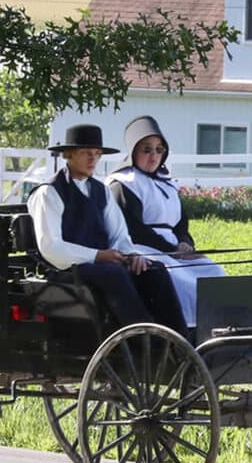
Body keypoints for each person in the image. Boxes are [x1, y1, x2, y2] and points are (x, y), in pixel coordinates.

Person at [26, 123, 188, 336]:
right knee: (113, 274)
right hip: (64, 269)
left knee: (154, 270)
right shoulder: (49, 193)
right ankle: (143, 338)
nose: (93, 159)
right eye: (85, 153)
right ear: (69, 155)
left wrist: (131, 255)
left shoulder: (100, 191)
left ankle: (179, 338)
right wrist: (98, 256)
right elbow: (52, 248)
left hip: (101, 264)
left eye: (97, 154)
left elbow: (119, 234)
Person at [107, 115, 227, 333]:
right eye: (147, 149)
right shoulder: (123, 184)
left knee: (213, 272)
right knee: (182, 281)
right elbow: (134, 230)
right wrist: (172, 250)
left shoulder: (167, 184)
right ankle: (188, 332)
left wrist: (184, 243)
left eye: (159, 150)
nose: (153, 156)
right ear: (134, 151)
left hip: (173, 250)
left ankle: (219, 327)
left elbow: (181, 223)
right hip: (142, 249)